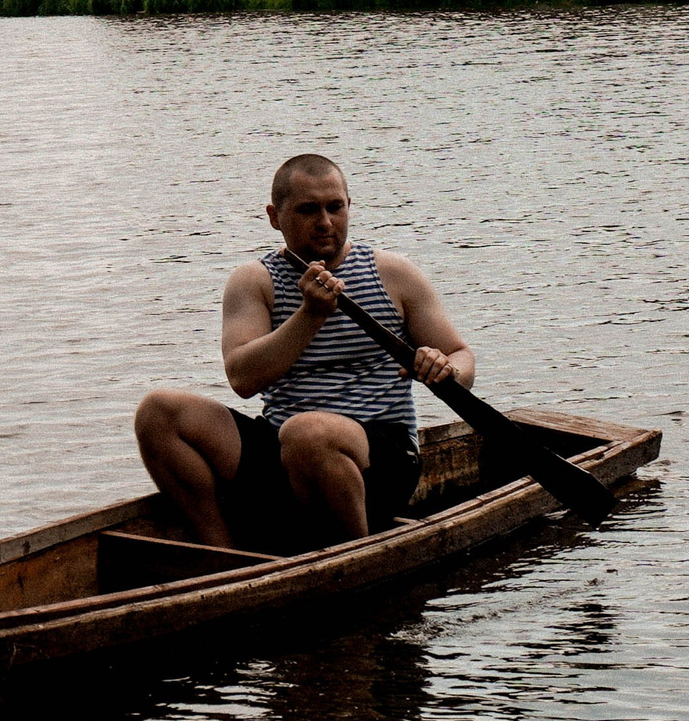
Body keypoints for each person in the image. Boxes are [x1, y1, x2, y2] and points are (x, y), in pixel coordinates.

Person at [134, 154, 477, 550]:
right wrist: (309, 315)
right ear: (274, 216)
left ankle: (354, 557)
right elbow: (242, 379)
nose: (325, 222)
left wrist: (444, 368)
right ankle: (220, 554)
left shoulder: (393, 274)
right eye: (308, 210)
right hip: (282, 449)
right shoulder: (255, 282)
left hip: (378, 458)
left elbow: (461, 356)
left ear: (350, 205)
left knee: (309, 433)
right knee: (158, 412)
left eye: (335, 207)